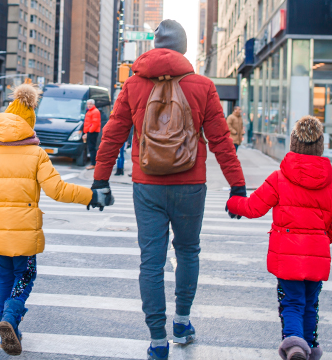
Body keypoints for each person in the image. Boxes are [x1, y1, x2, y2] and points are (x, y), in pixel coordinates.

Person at [92, 19, 246, 360]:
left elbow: (113, 135)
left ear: (156, 47)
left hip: (146, 185)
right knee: (188, 252)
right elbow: (221, 140)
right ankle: (182, 322)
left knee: (151, 261)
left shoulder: (133, 86)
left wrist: (100, 180)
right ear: (183, 49)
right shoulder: (203, 86)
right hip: (191, 184)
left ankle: (157, 340)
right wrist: (237, 186)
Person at [0, 84, 104, 356]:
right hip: (24, 234)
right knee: (26, 275)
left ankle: (9, 328)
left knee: (3, 279)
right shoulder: (36, 154)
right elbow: (58, 190)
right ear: (29, 125)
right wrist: (91, 196)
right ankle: (11, 316)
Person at [227, 116, 332, 360]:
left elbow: (254, 207)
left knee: (292, 303)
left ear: (293, 144)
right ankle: (309, 344)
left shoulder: (279, 179)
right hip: (316, 259)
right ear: (320, 146)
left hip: (288, 259)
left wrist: (233, 203)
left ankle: (294, 345)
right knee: (310, 304)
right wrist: (322, 239)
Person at [82, 98, 102, 169]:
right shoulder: (90, 111)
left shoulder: (95, 111)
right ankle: (93, 163)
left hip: (93, 132)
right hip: (90, 132)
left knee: (92, 148)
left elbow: (94, 124)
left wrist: (88, 132)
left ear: (93, 104)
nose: (89, 105)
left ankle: (93, 163)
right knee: (91, 148)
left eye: (90, 104)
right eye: (88, 104)